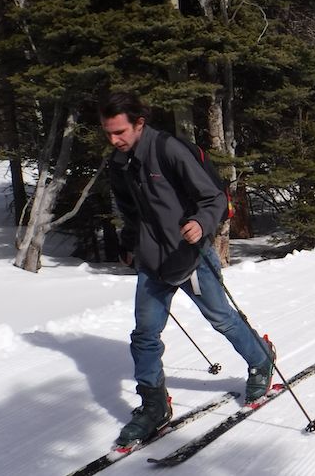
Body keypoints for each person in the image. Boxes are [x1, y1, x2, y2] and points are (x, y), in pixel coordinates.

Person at [99, 91, 275, 447]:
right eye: (108, 133)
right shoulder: (119, 163)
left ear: (139, 123)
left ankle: (261, 360)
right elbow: (131, 212)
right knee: (145, 335)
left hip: (190, 254)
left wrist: (200, 222)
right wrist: (128, 244)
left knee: (222, 319)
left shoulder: (169, 150)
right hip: (153, 261)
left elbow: (214, 197)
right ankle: (154, 407)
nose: (114, 140)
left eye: (120, 132)